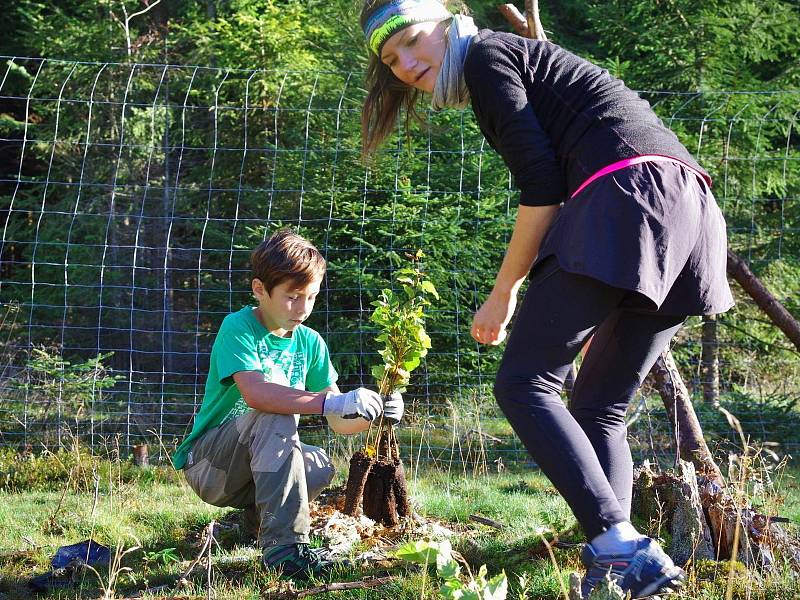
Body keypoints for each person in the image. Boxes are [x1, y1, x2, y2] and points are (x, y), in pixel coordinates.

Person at [358, 1, 733, 597]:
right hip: (688, 211)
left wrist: (502, 291)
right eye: (389, 58)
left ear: (450, 20)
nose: (404, 64)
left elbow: (542, 187)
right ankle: (620, 563)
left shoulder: (486, 55)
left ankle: (619, 546)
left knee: (524, 383)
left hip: (626, 197)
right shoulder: (515, 58)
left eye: (410, 41)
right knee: (599, 409)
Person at [172, 229, 403, 579]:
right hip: (209, 467)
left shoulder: (310, 343)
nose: (303, 309)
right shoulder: (238, 327)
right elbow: (258, 395)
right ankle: (286, 550)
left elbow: (340, 422)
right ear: (260, 290)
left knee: (317, 464)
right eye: (293, 297)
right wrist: (331, 402)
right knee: (273, 415)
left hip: (254, 460)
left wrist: (375, 414)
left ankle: (257, 528)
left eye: (311, 297)